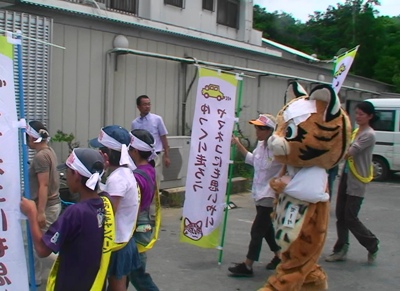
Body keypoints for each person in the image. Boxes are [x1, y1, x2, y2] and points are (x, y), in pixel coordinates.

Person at [20, 148, 111, 290]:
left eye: (67, 171)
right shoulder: (105, 203)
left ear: (76, 175)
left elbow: (43, 250)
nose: (65, 176)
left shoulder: (75, 213)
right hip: (94, 283)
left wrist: (32, 214)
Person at [325, 101, 380, 264]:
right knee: (340, 215)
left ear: (370, 116)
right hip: (346, 178)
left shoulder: (369, 135)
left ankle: (371, 243)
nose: (358, 117)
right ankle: (340, 248)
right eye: (356, 113)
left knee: (350, 217)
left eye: (361, 114)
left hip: (357, 181)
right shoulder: (356, 131)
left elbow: (349, 152)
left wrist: (330, 157)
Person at [228, 114, 282, 277]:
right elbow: (253, 160)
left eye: (260, 128)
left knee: (257, 230)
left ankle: (248, 264)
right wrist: (238, 144)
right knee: (266, 229)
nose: (257, 131)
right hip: (259, 192)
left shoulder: (277, 147)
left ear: (269, 130)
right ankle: (279, 255)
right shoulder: (260, 145)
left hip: (270, 194)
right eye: (256, 128)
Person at [89, 125, 141, 291]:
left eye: (99, 149)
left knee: (116, 286)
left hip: (117, 243)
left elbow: (108, 212)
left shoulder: (117, 179)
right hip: (123, 239)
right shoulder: (122, 173)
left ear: (106, 154)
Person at [25, 120, 61, 286]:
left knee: (38, 247)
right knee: (36, 243)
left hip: (46, 206)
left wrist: (39, 212)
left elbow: (43, 185)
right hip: (51, 204)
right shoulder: (49, 151)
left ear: (32, 138)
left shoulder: (40, 157)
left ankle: (65, 267)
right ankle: (35, 278)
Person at [127, 129, 160, 291]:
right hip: (144, 222)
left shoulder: (137, 177)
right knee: (124, 270)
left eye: (129, 149)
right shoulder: (149, 169)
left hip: (137, 224)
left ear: (135, 151)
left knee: (136, 272)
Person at [131, 95, 170, 190]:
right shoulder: (135, 123)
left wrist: (166, 156)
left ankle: (155, 203)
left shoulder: (157, 119)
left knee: (155, 180)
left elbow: (163, 137)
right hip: (140, 157)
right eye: (144, 104)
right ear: (138, 106)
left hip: (155, 156)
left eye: (148, 104)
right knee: (142, 180)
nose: (147, 106)